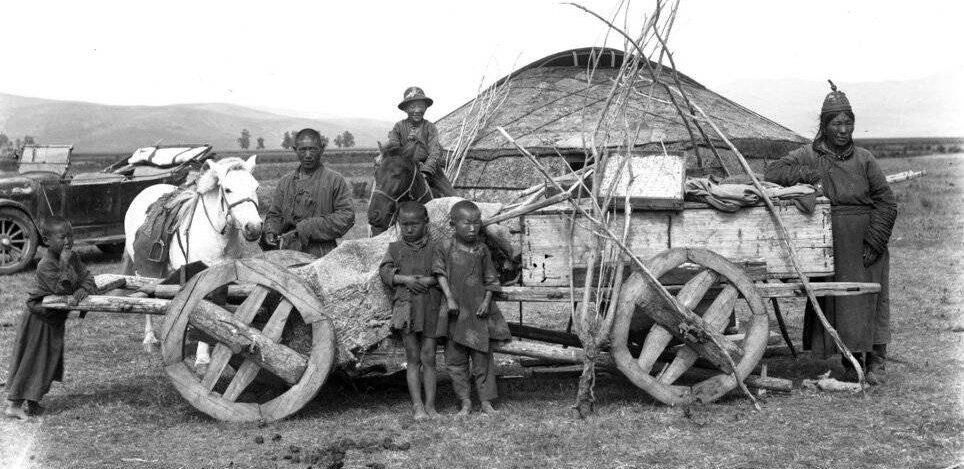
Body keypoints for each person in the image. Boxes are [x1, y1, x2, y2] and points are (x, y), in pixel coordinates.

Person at [765, 81, 897, 385]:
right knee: (840, 304)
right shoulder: (810, 155)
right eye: (836, 123)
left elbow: (887, 202)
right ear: (824, 126)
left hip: (865, 242)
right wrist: (807, 175)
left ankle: (875, 362)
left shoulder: (865, 159)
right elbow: (772, 172)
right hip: (829, 243)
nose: (843, 129)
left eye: (848, 122)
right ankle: (850, 363)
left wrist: (875, 240)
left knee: (871, 301)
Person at [4, 217, 95, 420]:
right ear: (46, 240)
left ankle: (33, 402)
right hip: (39, 319)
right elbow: (61, 289)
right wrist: (65, 266)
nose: (67, 241)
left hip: (55, 320)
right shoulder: (45, 264)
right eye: (62, 237)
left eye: (70, 236)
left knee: (47, 363)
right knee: (32, 361)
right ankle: (14, 404)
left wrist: (83, 288)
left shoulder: (74, 257)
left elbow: (88, 277)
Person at [434, 200, 511, 415]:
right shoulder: (445, 247)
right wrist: (449, 298)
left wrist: (486, 302)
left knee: (482, 358)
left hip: (478, 313)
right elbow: (439, 273)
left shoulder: (482, 249)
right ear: (452, 224)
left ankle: (486, 401)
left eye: (477, 224)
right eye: (466, 223)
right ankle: (465, 401)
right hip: (454, 312)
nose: (472, 228)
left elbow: (490, 278)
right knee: (455, 360)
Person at [378, 201, 446, 421]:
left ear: (425, 222)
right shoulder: (395, 249)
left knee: (429, 357)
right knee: (413, 357)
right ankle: (417, 406)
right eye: (404, 224)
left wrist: (428, 280)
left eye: (414, 224)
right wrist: (405, 279)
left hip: (430, 307)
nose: (409, 229)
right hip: (406, 308)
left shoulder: (436, 247)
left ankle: (431, 406)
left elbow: (444, 273)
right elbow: (385, 272)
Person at [263, 128, 355, 258]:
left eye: (312, 149)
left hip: (323, 254)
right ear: (295, 150)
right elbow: (274, 215)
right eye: (302, 149)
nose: (307, 155)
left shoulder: (335, 180)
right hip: (287, 252)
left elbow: (346, 216)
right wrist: (271, 231)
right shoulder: (285, 182)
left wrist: (309, 227)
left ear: (322, 149)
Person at [387, 87, 457, 197]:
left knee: (454, 198)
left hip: (430, 172)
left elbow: (435, 151)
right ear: (405, 109)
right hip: (405, 171)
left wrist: (426, 170)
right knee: (386, 198)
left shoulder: (430, 127)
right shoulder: (398, 127)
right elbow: (394, 151)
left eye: (421, 106)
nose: (417, 110)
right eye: (412, 106)